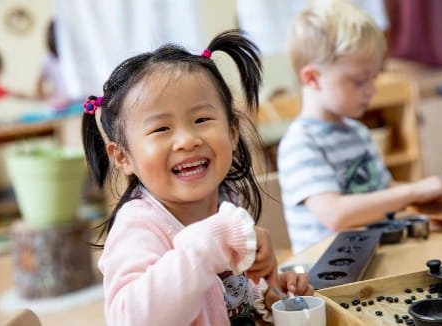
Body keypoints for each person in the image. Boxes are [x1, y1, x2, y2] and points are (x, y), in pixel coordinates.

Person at [81, 29, 314, 325]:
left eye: (202, 120)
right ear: (123, 157)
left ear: (232, 132)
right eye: (161, 129)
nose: (187, 140)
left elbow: (227, 298)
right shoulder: (137, 228)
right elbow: (133, 318)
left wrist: (266, 297)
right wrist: (216, 238)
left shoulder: (225, 198)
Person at [278, 0, 442, 254]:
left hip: (374, 255)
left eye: (373, 78)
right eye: (359, 81)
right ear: (312, 78)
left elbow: (383, 191)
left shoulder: (358, 133)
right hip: (326, 272)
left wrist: (440, 186)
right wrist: (414, 191)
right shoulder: (301, 143)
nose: (371, 89)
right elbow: (335, 214)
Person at [35, 20, 73, 110]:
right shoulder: (48, 59)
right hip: (60, 105)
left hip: (80, 101)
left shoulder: (76, 56)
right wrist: (50, 97)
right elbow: (38, 85)